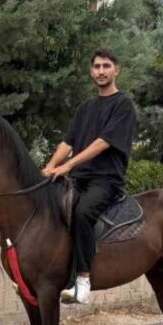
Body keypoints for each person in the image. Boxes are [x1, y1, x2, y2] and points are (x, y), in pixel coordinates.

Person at [42, 48, 137, 304]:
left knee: (83, 212)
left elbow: (103, 142)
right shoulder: (87, 107)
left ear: (116, 70)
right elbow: (68, 141)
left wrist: (68, 165)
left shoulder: (123, 105)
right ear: (91, 71)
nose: (101, 71)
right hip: (79, 180)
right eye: (97, 66)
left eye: (106, 66)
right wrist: (51, 166)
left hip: (106, 180)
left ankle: (83, 280)